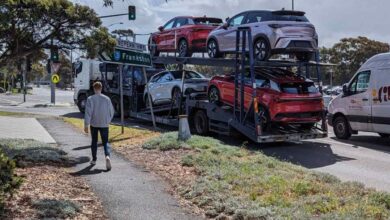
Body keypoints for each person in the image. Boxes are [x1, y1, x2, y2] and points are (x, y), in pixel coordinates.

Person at [84, 81, 115, 170]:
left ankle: (94, 159)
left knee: (94, 141)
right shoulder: (107, 99)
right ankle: (107, 156)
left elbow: (88, 113)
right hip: (104, 123)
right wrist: (108, 121)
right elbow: (111, 112)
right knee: (105, 142)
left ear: (94, 89)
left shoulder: (90, 99)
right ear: (101, 88)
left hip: (94, 123)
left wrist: (86, 124)